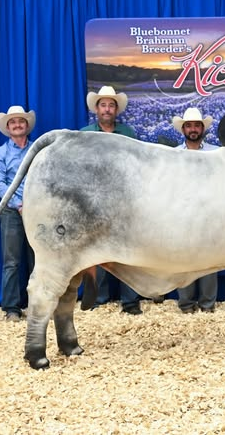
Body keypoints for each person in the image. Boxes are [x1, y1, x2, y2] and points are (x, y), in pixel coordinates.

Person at [80, 85, 145, 315]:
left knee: (128, 249)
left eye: (111, 105)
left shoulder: (128, 133)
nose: (107, 109)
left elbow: (137, 166)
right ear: (96, 109)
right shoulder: (85, 134)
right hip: (95, 200)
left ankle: (130, 301)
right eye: (103, 105)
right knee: (98, 249)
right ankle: (100, 298)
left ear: (116, 110)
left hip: (123, 199)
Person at [0, 105, 36, 322]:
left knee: (38, 259)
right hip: (11, 211)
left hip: (37, 210)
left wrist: (34, 204)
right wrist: (19, 204)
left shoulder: (38, 149)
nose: (17, 125)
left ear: (27, 126)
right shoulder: (0, 154)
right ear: (8, 128)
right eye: (13, 122)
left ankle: (38, 305)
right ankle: (11, 308)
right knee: (12, 261)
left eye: (21, 121)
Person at [173, 107, 219, 314]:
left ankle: (208, 304)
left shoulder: (215, 152)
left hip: (209, 211)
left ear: (203, 128)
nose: (193, 129)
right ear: (183, 129)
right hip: (182, 213)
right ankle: (186, 304)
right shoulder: (174, 154)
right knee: (184, 259)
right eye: (189, 125)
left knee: (209, 261)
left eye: (196, 125)